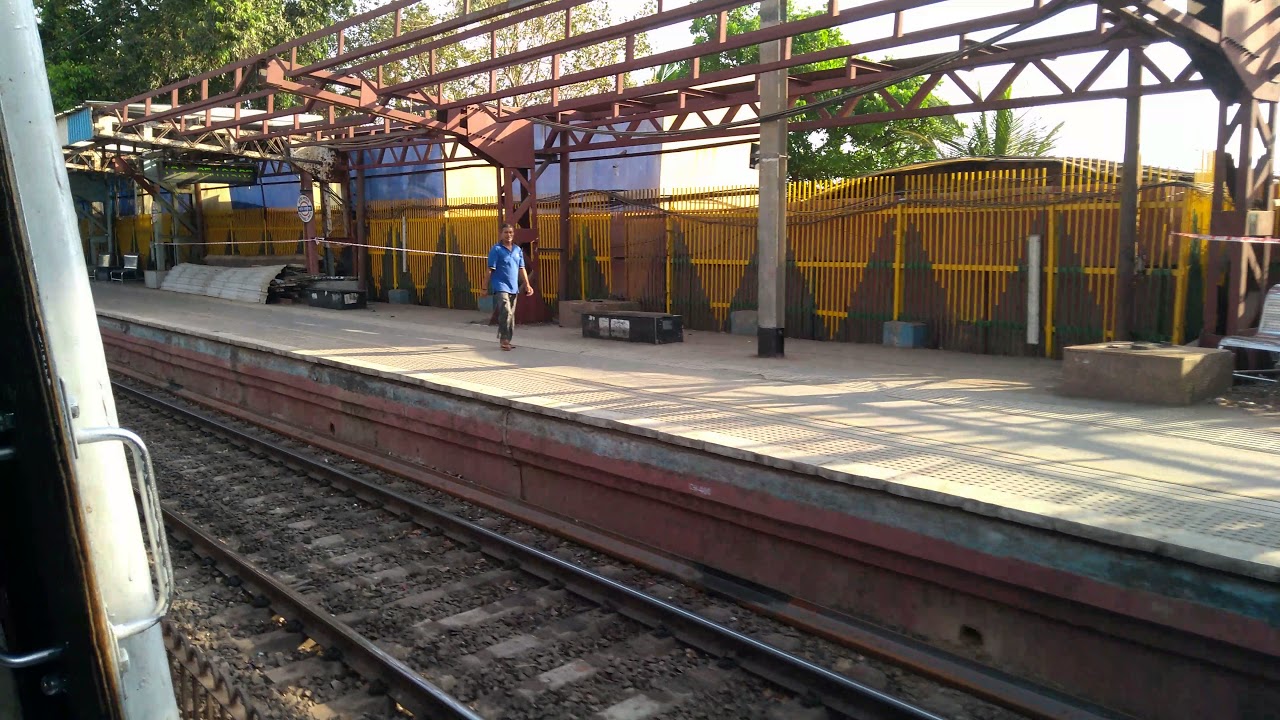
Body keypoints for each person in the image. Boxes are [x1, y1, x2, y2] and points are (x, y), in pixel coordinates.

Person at [482, 223, 533, 351]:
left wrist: (527, 285)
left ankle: (507, 339)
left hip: (513, 286)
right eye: (506, 232)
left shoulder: (517, 250)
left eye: (511, 232)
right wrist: (484, 287)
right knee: (506, 311)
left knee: (511, 315)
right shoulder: (496, 249)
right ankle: (504, 340)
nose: (508, 235)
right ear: (501, 234)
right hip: (500, 285)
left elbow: (522, 269)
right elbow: (489, 269)